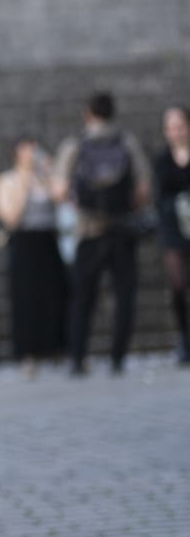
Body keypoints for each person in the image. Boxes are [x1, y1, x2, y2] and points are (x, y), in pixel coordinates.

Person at [52, 91, 152, 375]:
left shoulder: (75, 144)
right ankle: (117, 358)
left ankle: (78, 358)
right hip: (122, 228)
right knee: (124, 297)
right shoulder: (127, 142)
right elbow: (144, 189)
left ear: (88, 114)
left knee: (83, 298)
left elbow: (59, 191)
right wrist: (127, 206)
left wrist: (77, 203)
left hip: (88, 230)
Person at [0, 136, 67, 374]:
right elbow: (11, 218)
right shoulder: (7, 180)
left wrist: (51, 172)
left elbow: (62, 197)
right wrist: (25, 181)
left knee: (55, 295)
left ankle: (56, 347)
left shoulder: (44, 178)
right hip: (23, 243)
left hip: (48, 241)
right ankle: (27, 353)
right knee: (25, 298)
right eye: (27, 150)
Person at [153, 102, 190, 365]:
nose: (175, 132)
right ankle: (184, 339)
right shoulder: (162, 159)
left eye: (179, 126)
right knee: (178, 284)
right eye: (171, 127)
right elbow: (158, 195)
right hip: (173, 227)